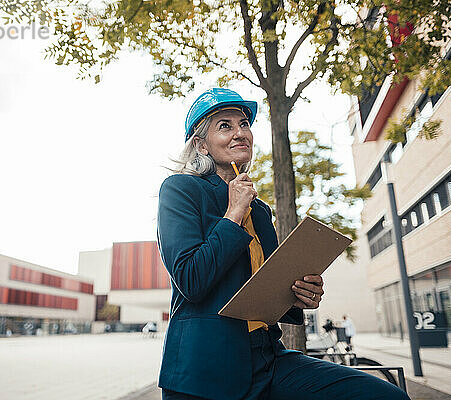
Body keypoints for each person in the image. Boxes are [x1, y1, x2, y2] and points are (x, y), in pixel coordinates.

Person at [156, 88, 409, 400]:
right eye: (225, 126)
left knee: (383, 396)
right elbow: (191, 280)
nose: (240, 133)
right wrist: (234, 212)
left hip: (268, 356)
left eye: (244, 124)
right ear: (200, 144)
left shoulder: (260, 210)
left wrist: (301, 293)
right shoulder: (180, 190)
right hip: (205, 368)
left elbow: (266, 284)